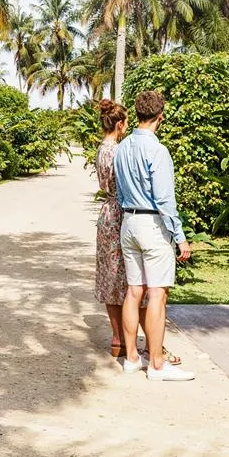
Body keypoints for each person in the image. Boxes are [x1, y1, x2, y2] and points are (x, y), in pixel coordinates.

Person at [113, 88, 194, 382]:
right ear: (161, 116)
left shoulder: (121, 147)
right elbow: (164, 199)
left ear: (137, 113)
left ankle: (132, 357)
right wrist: (180, 236)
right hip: (152, 224)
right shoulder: (158, 151)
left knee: (134, 290)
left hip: (129, 221)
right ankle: (157, 363)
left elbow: (119, 190)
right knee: (158, 293)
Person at [93, 99, 129, 357]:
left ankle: (117, 338)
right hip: (121, 211)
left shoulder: (101, 149)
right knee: (127, 277)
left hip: (107, 212)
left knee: (110, 275)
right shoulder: (117, 150)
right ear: (119, 124)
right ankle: (127, 335)